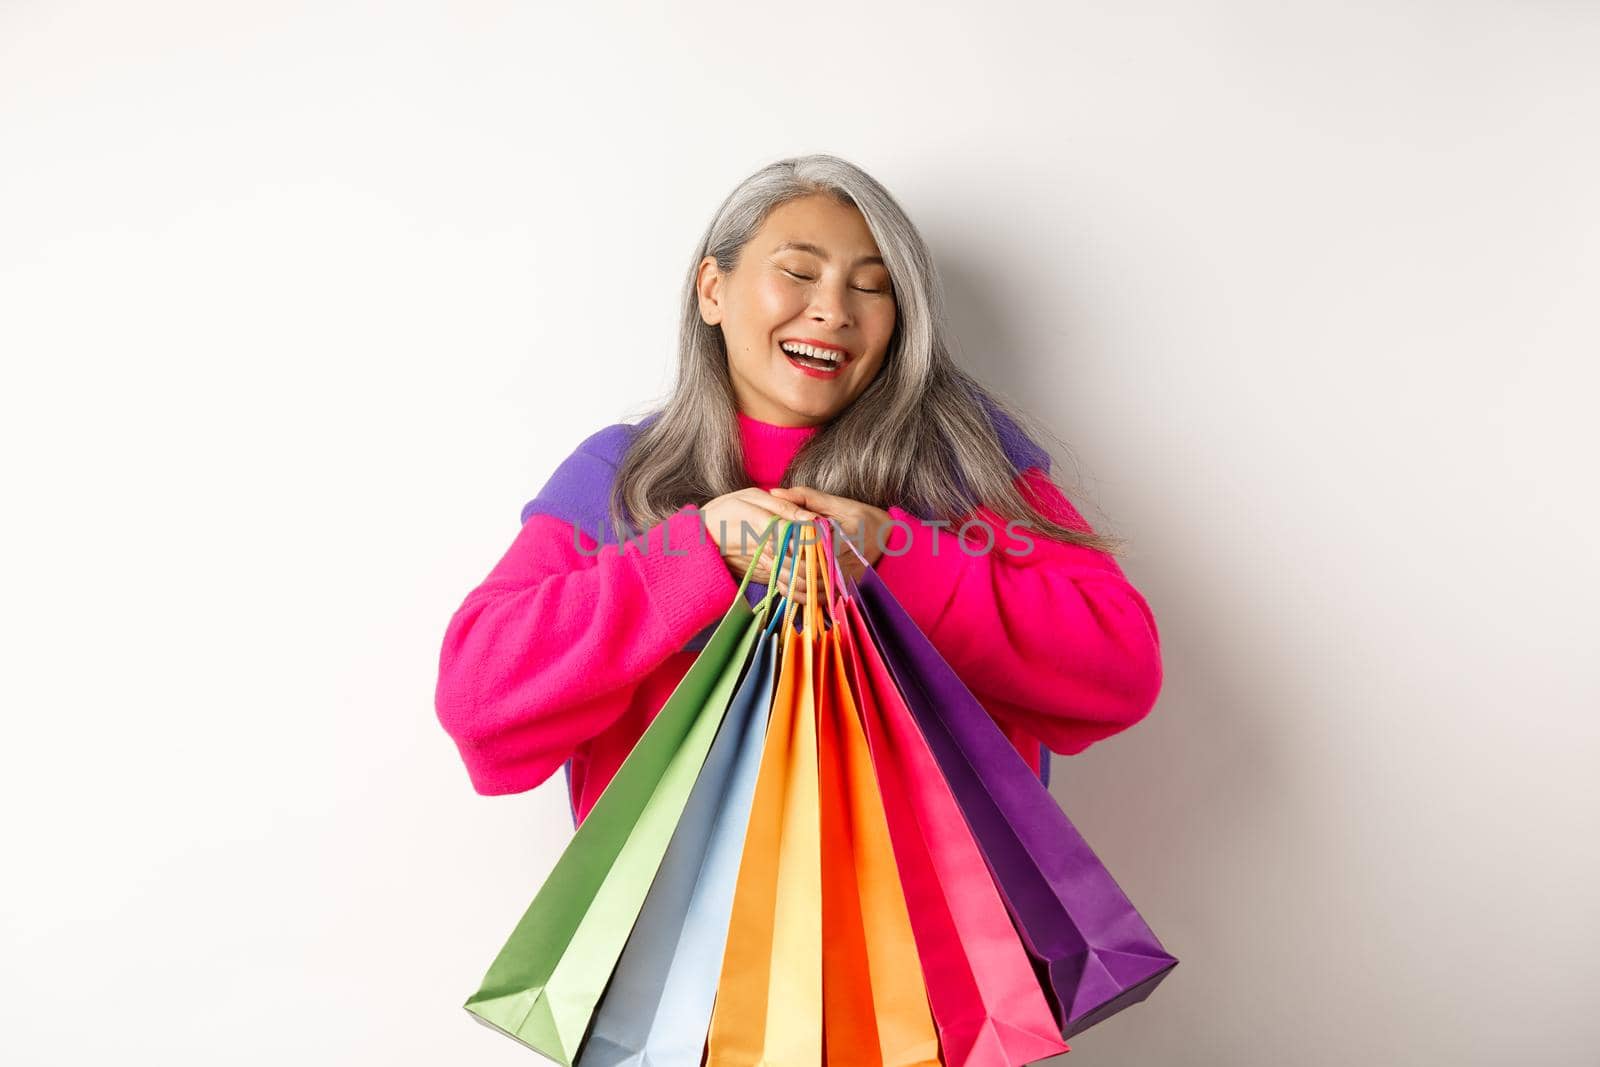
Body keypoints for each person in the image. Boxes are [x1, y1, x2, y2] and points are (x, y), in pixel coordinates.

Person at [434, 154, 1164, 827]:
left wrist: (894, 557)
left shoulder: (963, 464)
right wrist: (695, 557)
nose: (834, 310)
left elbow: (1121, 667)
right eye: (799, 271)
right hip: (685, 957)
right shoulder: (622, 476)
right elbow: (476, 700)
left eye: (872, 286)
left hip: (939, 957)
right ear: (713, 290)